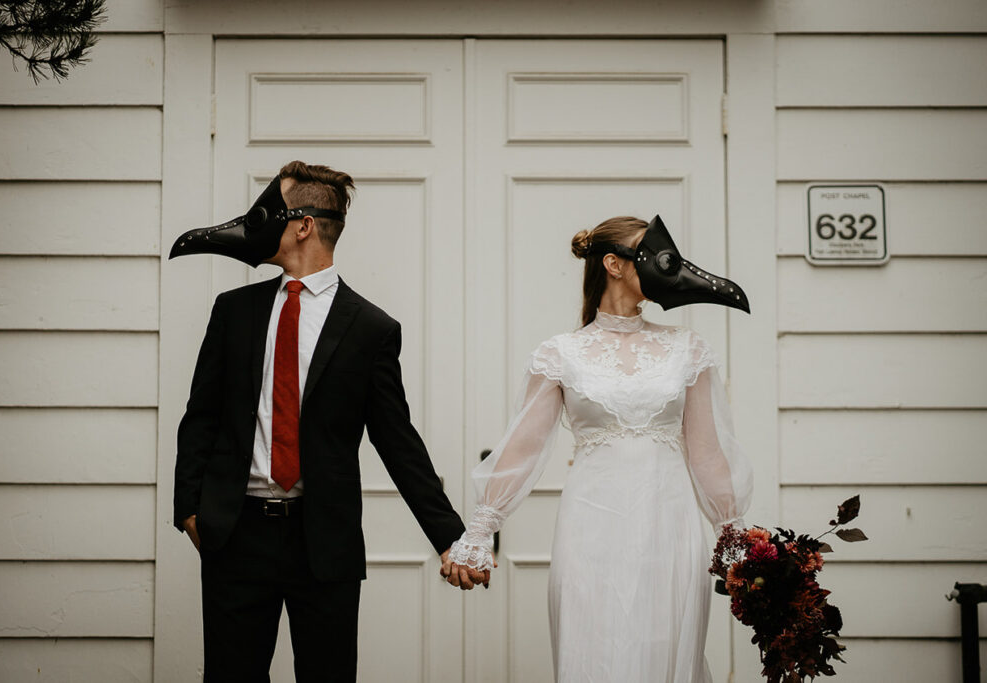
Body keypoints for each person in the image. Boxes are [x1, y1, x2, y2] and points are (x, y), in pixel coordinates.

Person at [171, 161, 470, 682]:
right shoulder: (233, 311)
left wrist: (451, 537)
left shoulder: (372, 329)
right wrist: (189, 509)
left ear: (303, 224)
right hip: (235, 535)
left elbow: (397, 440)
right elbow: (201, 416)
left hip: (323, 542)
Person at [442, 215, 754, 682]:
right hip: (591, 531)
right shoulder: (561, 353)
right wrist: (481, 528)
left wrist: (733, 533)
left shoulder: (688, 349)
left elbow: (708, 452)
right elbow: (522, 446)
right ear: (613, 263)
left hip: (669, 530)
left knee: (666, 650)